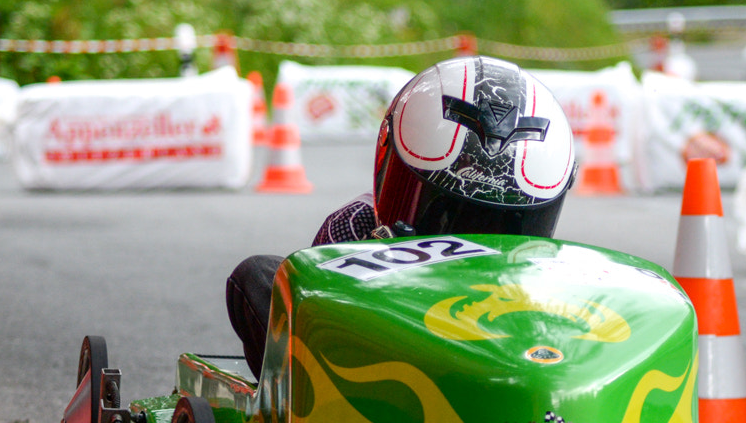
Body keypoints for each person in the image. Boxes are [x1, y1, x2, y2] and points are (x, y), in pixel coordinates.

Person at [226, 56, 577, 377]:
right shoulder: (355, 226)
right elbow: (318, 323)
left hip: (510, 367)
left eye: (502, 222)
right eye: (445, 211)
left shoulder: (558, 275)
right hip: (385, 376)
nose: (476, 233)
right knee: (258, 276)